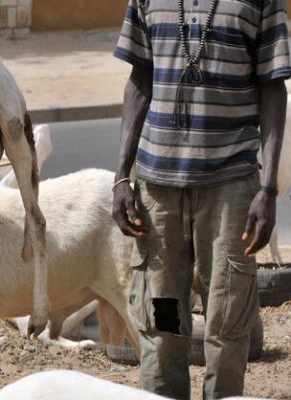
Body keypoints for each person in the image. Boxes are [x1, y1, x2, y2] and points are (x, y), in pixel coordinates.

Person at [113, 0, 288, 399]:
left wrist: (269, 188)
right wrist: (122, 176)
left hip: (231, 191)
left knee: (226, 327)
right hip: (158, 196)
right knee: (163, 325)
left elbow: (273, 86)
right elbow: (140, 79)